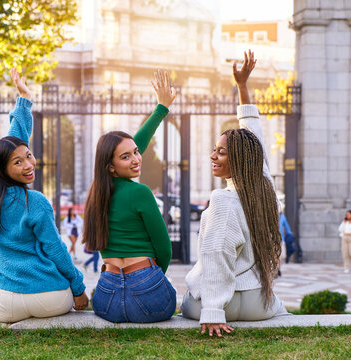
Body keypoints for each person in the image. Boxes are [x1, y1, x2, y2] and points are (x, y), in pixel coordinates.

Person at [181, 50, 288, 337]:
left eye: (221, 152)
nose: (213, 156)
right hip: (260, 302)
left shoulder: (223, 200)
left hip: (226, 306)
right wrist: (242, 87)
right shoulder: (264, 185)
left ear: (239, 158)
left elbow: (217, 254)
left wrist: (213, 312)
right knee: (280, 307)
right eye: (214, 150)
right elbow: (253, 134)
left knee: (183, 302)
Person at [0, 68, 88, 323]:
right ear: (3, 168)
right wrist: (79, 289)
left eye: (28, 155)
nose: (28, 164)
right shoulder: (35, 202)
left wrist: (24, 100)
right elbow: (56, 250)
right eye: (17, 162)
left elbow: (16, 139)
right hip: (48, 297)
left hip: (6, 299)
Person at [83, 69, 177, 323]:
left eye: (136, 152)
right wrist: (153, 280)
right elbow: (165, 249)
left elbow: (129, 147)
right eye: (127, 157)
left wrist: (161, 108)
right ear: (111, 166)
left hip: (106, 298)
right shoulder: (140, 192)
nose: (137, 159)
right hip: (148, 291)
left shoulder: (96, 194)